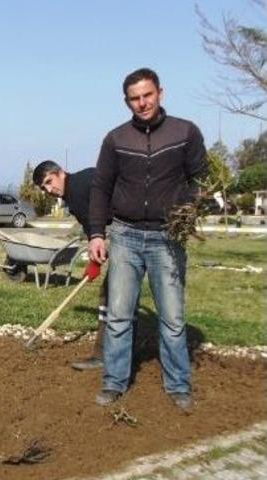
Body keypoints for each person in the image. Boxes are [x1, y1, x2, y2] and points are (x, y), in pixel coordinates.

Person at [88, 68, 206, 410]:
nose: (142, 103)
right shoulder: (116, 139)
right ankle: (113, 382)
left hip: (167, 237)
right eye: (134, 98)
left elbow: (200, 178)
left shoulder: (185, 133)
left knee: (171, 317)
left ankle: (178, 384)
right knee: (119, 315)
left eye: (147, 95)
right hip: (124, 235)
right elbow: (101, 187)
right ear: (127, 101)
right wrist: (97, 233)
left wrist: (188, 208)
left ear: (160, 93)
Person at [33, 160, 107, 371]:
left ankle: (108, 355)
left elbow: (105, 211)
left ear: (61, 173)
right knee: (111, 298)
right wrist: (96, 255)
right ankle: (107, 353)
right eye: (44, 187)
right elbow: (92, 223)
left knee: (112, 297)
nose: (48, 190)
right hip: (118, 238)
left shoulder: (83, 183)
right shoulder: (72, 197)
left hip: (132, 237)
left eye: (49, 181)